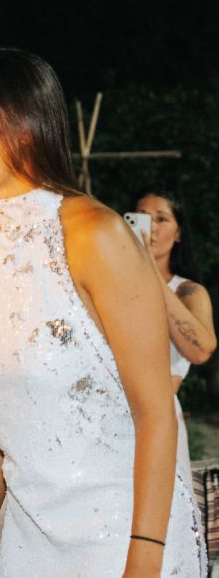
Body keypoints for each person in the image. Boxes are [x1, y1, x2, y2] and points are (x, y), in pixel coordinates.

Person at [0, 48, 207, 577]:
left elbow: (155, 413)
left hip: (120, 533)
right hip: (29, 535)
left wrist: (145, 559)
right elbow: (7, 411)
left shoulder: (94, 233)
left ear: (20, 123)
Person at [134, 187, 216, 482]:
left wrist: (152, 272)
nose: (151, 227)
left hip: (157, 417)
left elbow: (201, 349)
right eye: (142, 218)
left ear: (179, 233)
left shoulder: (187, 291)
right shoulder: (110, 283)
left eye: (161, 219)